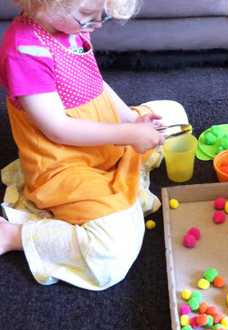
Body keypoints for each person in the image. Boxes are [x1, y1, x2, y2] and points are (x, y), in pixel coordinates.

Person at [0, 0, 188, 290]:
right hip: (63, 163)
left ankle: (123, 168)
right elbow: (59, 129)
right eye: (88, 15)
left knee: (173, 112)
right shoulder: (24, 52)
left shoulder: (68, 25)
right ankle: (14, 235)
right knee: (112, 252)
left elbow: (95, 82)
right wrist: (127, 134)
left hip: (104, 138)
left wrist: (129, 120)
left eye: (101, 14)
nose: (97, 22)